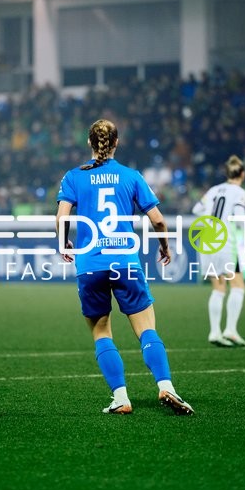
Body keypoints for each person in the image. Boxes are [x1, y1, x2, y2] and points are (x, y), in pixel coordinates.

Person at [56, 118, 194, 416]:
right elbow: (157, 219)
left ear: (89, 144)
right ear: (116, 143)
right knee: (146, 329)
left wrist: (63, 242)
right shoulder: (131, 176)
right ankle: (166, 386)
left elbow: (62, 217)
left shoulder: (73, 177)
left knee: (102, 332)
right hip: (126, 262)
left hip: (90, 263)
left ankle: (121, 397)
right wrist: (165, 246)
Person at [192, 155, 245, 347]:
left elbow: (197, 208)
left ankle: (215, 332)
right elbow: (239, 217)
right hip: (224, 241)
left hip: (206, 240)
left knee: (218, 287)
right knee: (237, 285)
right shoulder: (240, 192)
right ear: (243, 174)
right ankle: (230, 330)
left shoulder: (213, 190)